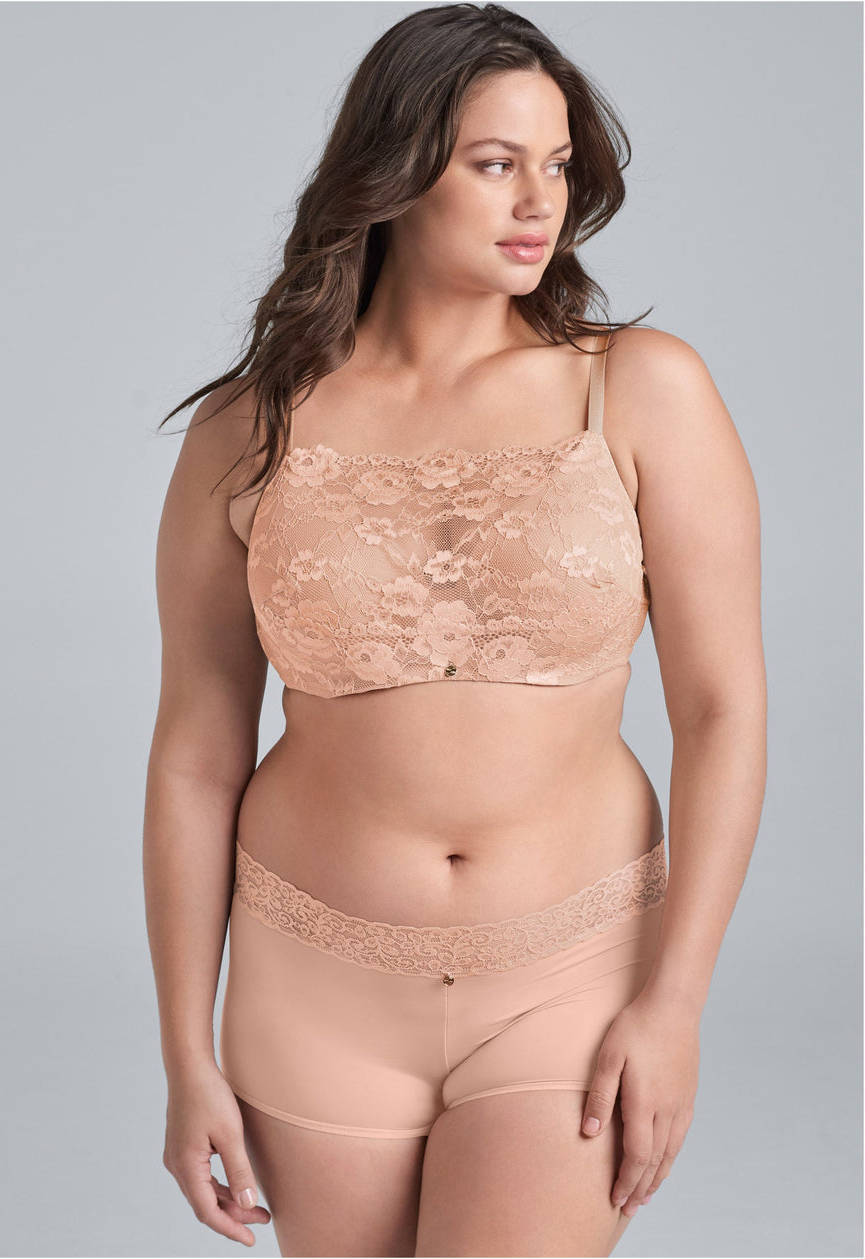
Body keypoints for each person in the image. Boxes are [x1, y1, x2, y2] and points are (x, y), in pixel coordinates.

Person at [143, 4, 767, 1255]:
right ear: (392, 172)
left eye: (558, 164)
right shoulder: (248, 428)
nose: (540, 201)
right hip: (309, 981)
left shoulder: (642, 388)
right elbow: (196, 754)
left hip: (571, 968)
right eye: (495, 163)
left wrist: (677, 1000)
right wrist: (184, 1054)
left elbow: (722, 711)